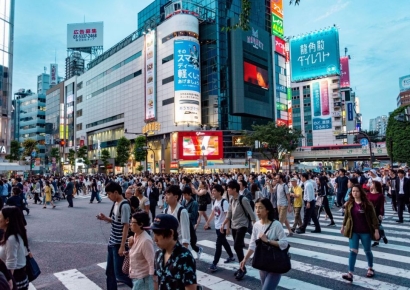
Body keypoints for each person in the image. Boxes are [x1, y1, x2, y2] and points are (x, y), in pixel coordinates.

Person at [240, 198, 288, 290]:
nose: (257, 210)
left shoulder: (276, 225)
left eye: (260, 207)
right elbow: (252, 244)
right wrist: (244, 259)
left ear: (267, 210)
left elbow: (284, 243)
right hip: (263, 263)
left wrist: (267, 241)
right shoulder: (256, 225)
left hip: (275, 264)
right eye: (256, 207)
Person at [97, 182, 133, 290]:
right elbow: (117, 221)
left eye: (109, 194)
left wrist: (122, 246)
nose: (108, 196)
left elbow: (126, 226)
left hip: (118, 243)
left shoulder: (124, 205)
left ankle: (139, 286)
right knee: (110, 272)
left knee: (120, 274)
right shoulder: (116, 203)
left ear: (116, 192)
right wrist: (106, 219)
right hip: (112, 242)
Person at [146, 214, 197, 290]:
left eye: (158, 234)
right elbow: (156, 280)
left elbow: (190, 288)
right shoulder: (158, 254)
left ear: (170, 233)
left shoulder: (185, 257)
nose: (155, 239)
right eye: (154, 233)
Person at [341, 184, 379, 282]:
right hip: (353, 231)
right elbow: (346, 216)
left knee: (367, 251)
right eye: (353, 191)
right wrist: (343, 226)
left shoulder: (367, 204)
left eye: (357, 191)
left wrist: (376, 230)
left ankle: (370, 268)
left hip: (365, 231)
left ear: (361, 192)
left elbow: (374, 218)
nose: (355, 193)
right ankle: (350, 273)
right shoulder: (349, 203)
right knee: (353, 251)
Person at [221, 180, 256, 281]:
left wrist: (255, 227)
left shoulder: (243, 199)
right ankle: (241, 266)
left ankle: (242, 268)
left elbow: (251, 213)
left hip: (242, 225)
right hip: (234, 225)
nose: (227, 189)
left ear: (234, 189)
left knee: (237, 246)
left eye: (229, 188)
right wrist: (224, 224)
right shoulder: (232, 199)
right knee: (238, 247)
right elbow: (229, 214)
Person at [204, 184, 235, 272]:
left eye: (214, 191)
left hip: (223, 227)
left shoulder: (224, 202)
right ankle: (231, 256)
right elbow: (213, 213)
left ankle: (214, 263)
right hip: (217, 226)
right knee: (224, 242)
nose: (212, 192)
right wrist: (207, 222)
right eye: (212, 191)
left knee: (218, 244)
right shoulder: (215, 202)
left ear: (219, 192)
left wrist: (228, 228)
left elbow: (227, 216)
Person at [0, 206, 30, 290]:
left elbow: (11, 263)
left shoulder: (11, 239)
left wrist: (9, 281)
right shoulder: (11, 235)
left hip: (14, 279)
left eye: (0, 217)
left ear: (7, 220)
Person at [128, 211, 155, 290]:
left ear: (141, 224)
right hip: (136, 277)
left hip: (143, 279)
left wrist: (150, 283)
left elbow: (151, 262)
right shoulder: (136, 235)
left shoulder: (145, 240)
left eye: (132, 222)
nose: (130, 224)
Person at [367, 181, 387, 247]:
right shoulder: (368, 194)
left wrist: (381, 214)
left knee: (377, 225)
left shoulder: (380, 195)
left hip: (377, 212)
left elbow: (381, 205)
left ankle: (378, 239)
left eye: (372, 184)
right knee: (372, 226)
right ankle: (381, 236)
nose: (371, 185)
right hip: (369, 212)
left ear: (375, 185)